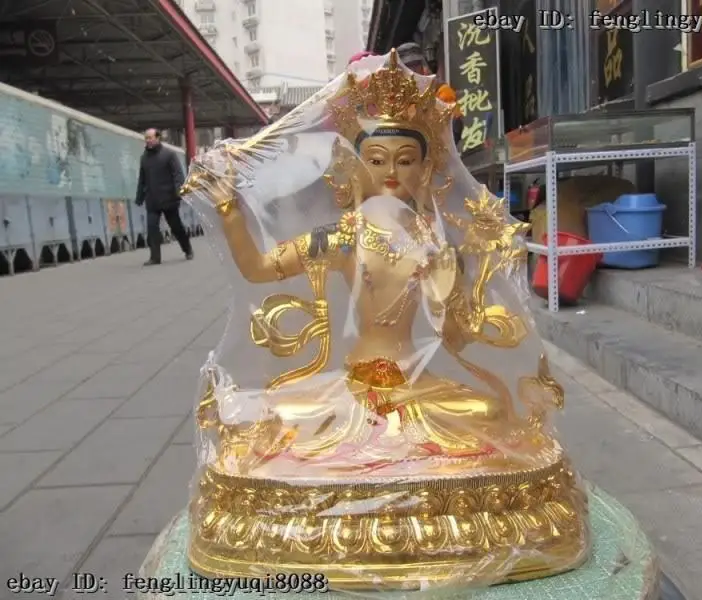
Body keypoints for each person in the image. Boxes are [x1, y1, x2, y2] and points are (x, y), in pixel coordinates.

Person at [174, 49, 591, 592]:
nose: (391, 173)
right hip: (355, 385)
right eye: (377, 159)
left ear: (426, 167)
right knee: (279, 413)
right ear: (357, 165)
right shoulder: (344, 234)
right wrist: (230, 210)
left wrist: (472, 269)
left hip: (420, 390)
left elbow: (456, 335)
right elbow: (257, 268)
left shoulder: (432, 241)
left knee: (488, 407)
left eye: (405, 160)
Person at [135, 128, 193, 266]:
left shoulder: (169, 155)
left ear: (157, 138)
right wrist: (139, 197)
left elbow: (178, 174)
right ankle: (155, 257)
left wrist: (179, 191)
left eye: (150, 138)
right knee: (152, 228)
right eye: (146, 138)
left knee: (176, 227)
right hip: (152, 200)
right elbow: (142, 179)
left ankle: (187, 249)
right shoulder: (144, 158)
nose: (148, 141)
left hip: (169, 198)